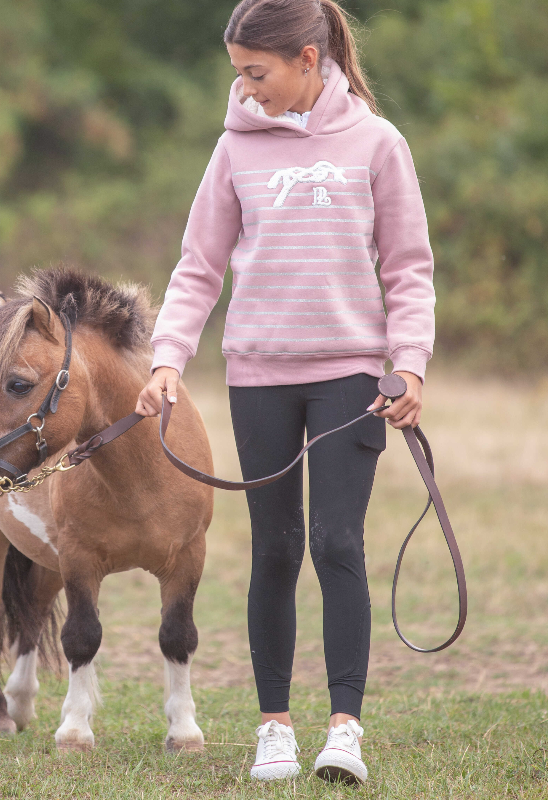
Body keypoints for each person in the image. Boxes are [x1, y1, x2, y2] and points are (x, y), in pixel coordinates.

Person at [135, 0, 434, 786]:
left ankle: (345, 730)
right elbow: (197, 267)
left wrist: (410, 364)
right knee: (274, 548)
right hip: (258, 374)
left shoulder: (377, 141)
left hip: (350, 377)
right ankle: (274, 727)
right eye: (238, 74)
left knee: (338, 543)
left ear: (308, 59)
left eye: (256, 73)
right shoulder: (232, 149)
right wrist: (167, 357)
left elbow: (408, 267)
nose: (246, 89)